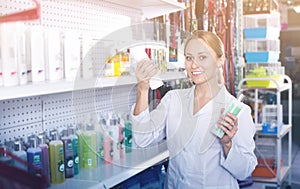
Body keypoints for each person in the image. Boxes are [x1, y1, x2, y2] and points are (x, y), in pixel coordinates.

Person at [131, 30, 257, 189]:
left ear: (220, 60)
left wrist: (227, 145)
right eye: (189, 58)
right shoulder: (173, 100)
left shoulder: (237, 111)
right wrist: (142, 89)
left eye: (202, 57)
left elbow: (244, 171)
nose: (194, 65)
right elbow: (142, 139)